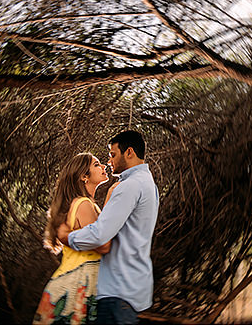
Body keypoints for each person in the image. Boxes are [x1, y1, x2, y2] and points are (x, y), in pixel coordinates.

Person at [59, 130, 159, 324]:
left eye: (113, 154)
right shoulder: (147, 183)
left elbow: (100, 236)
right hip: (131, 288)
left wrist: (67, 237)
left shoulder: (129, 186)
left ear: (129, 152)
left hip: (117, 290)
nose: (109, 160)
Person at [33, 152, 112, 324]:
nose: (103, 166)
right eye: (97, 164)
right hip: (78, 282)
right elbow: (103, 244)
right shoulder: (84, 204)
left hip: (65, 281)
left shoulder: (80, 204)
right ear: (84, 176)